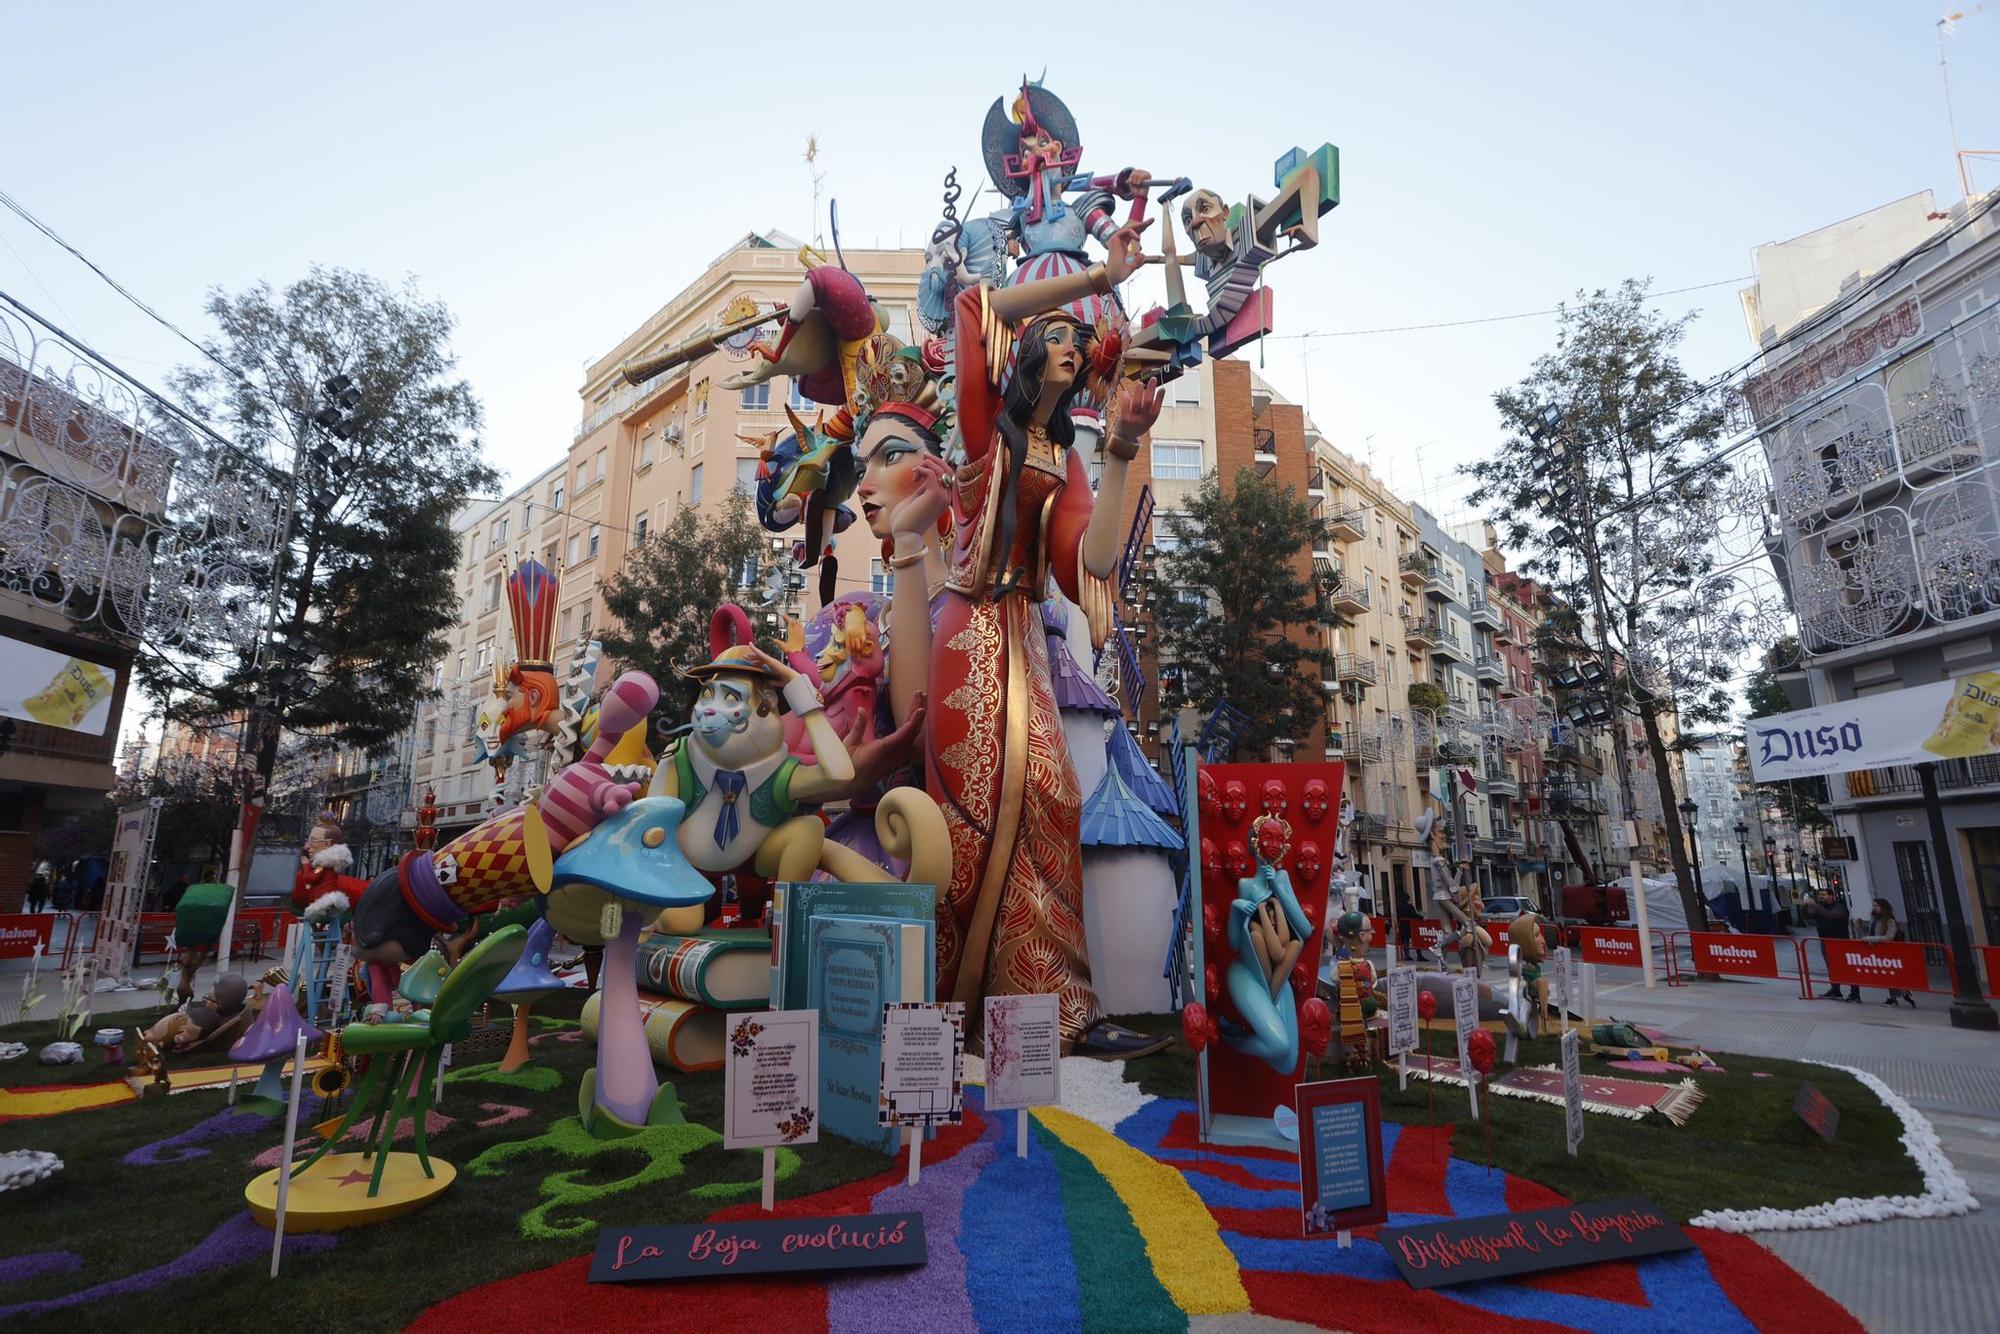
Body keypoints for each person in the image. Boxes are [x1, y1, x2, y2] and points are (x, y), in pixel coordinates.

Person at [927, 215, 1156, 1052]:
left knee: (1054, 797)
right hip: (969, 625)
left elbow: (1087, 561)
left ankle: (1054, 1008)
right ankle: (947, 998)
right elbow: (975, 302)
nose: (1070, 345)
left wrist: (1125, 449)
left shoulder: (1065, 460)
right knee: (979, 807)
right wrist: (1096, 281)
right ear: (1026, 352)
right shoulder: (989, 429)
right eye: (1054, 336)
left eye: (1077, 339)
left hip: (1023, 629)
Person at [1801, 886, 1859, 1001]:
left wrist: (1816, 906)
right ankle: (1835, 989)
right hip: (1825, 941)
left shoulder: (1838, 907)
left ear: (1831, 896)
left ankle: (1854, 992)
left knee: (1846, 968)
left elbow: (1832, 915)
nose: (1821, 897)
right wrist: (1804, 907)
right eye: (1820, 895)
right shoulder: (1821, 907)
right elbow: (1808, 916)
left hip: (1839, 941)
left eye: (1824, 894)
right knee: (1831, 967)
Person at [1863, 897, 1916, 1007]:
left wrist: (1871, 939)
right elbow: (1872, 931)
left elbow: (1889, 936)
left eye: (1877, 906)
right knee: (1888, 975)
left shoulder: (1890, 920)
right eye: (1873, 906)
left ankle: (1896, 996)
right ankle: (1900, 993)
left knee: (1892, 974)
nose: (1875, 908)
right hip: (1880, 951)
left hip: (1890, 951)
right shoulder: (1874, 919)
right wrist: (1861, 927)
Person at [1392, 885, 1418, 962]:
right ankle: (1418, 955)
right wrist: (1421, 918)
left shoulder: (1399, 906)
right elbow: (1414, 915)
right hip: (1410, 926)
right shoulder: (1409, 906)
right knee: (1416, 940)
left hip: (1402, 926)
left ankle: (1406, 955)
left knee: (1405, 940)